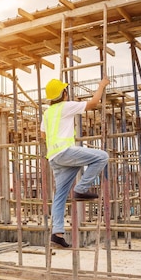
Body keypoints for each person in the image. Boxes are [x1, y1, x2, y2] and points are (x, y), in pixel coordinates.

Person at [40, 77, 110, 248]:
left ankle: (57, 234)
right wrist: (101, 85)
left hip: (54, 157)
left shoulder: (47, 113)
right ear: (64, 94)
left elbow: (43, 135)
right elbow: (93, 102)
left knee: (60, 196)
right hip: (65, 152)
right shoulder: (66, 106)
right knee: (102, 156)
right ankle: (81, 189)